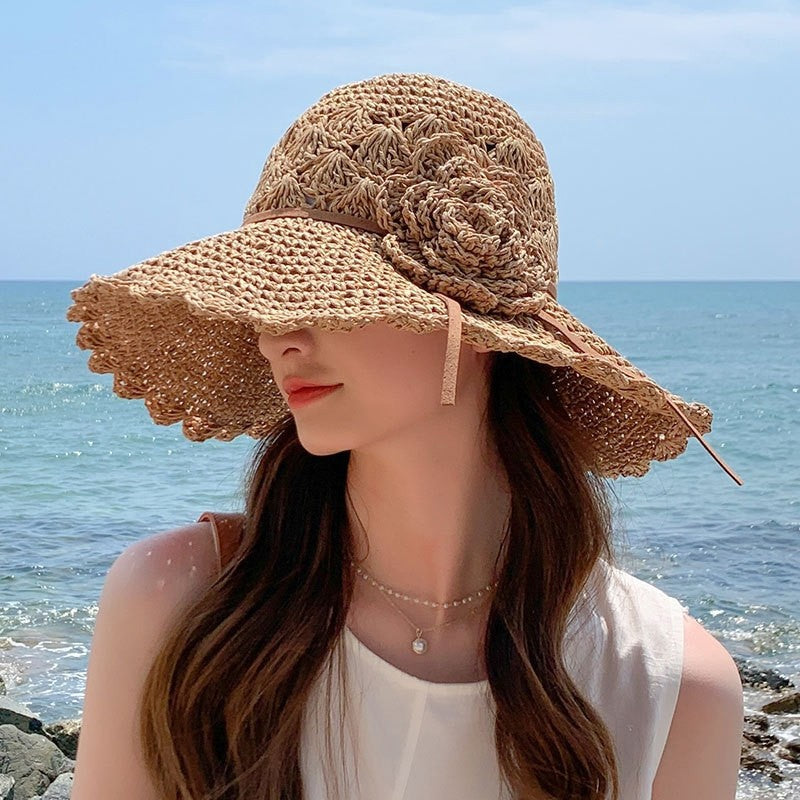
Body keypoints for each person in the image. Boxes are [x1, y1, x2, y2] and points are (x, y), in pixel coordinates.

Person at [66, 73, 744, 799]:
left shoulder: (673, 684)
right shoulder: (177, 600)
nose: (276, 336)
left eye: (327, 292)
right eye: (269, 297)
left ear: (475, 330)